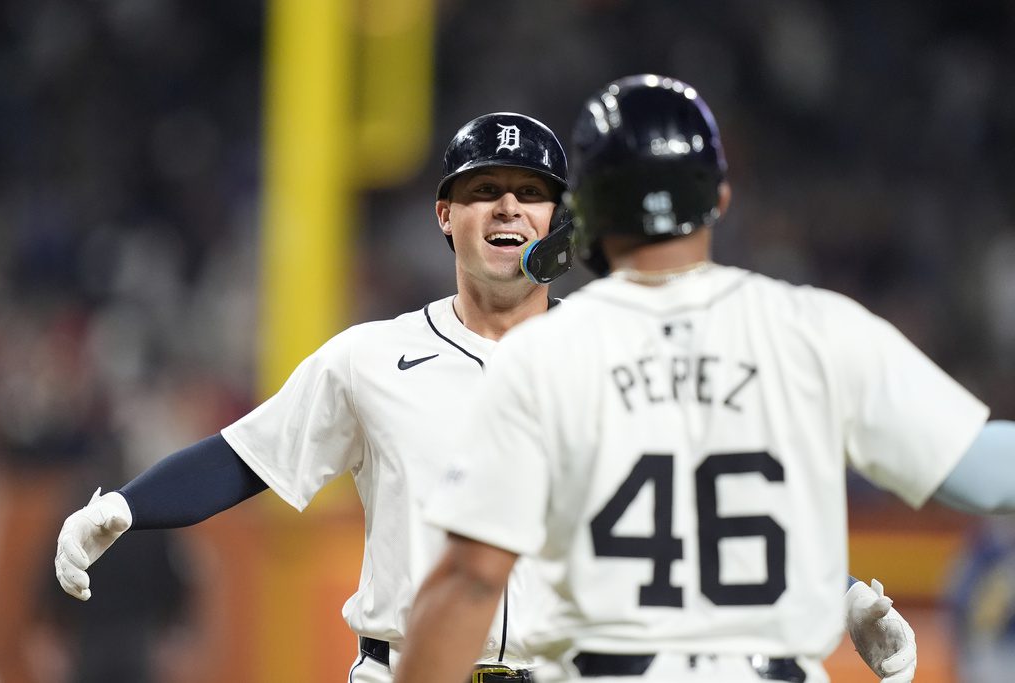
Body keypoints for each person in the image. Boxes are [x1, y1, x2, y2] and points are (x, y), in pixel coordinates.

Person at [55, 109, 917, 682]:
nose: (507, 205)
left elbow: (721, 496)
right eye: (482, 191)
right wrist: (126, 508)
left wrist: (840, 595)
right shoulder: (371, 357)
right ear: (445, 215)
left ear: (556, 221)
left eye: (531, 193)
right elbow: (243, 459)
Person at [392, 75, 1015, 683]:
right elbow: (989, 480)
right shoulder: (813, 328)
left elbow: (470, 579)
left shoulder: (541, 355)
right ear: (719, 198)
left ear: (580, 210)